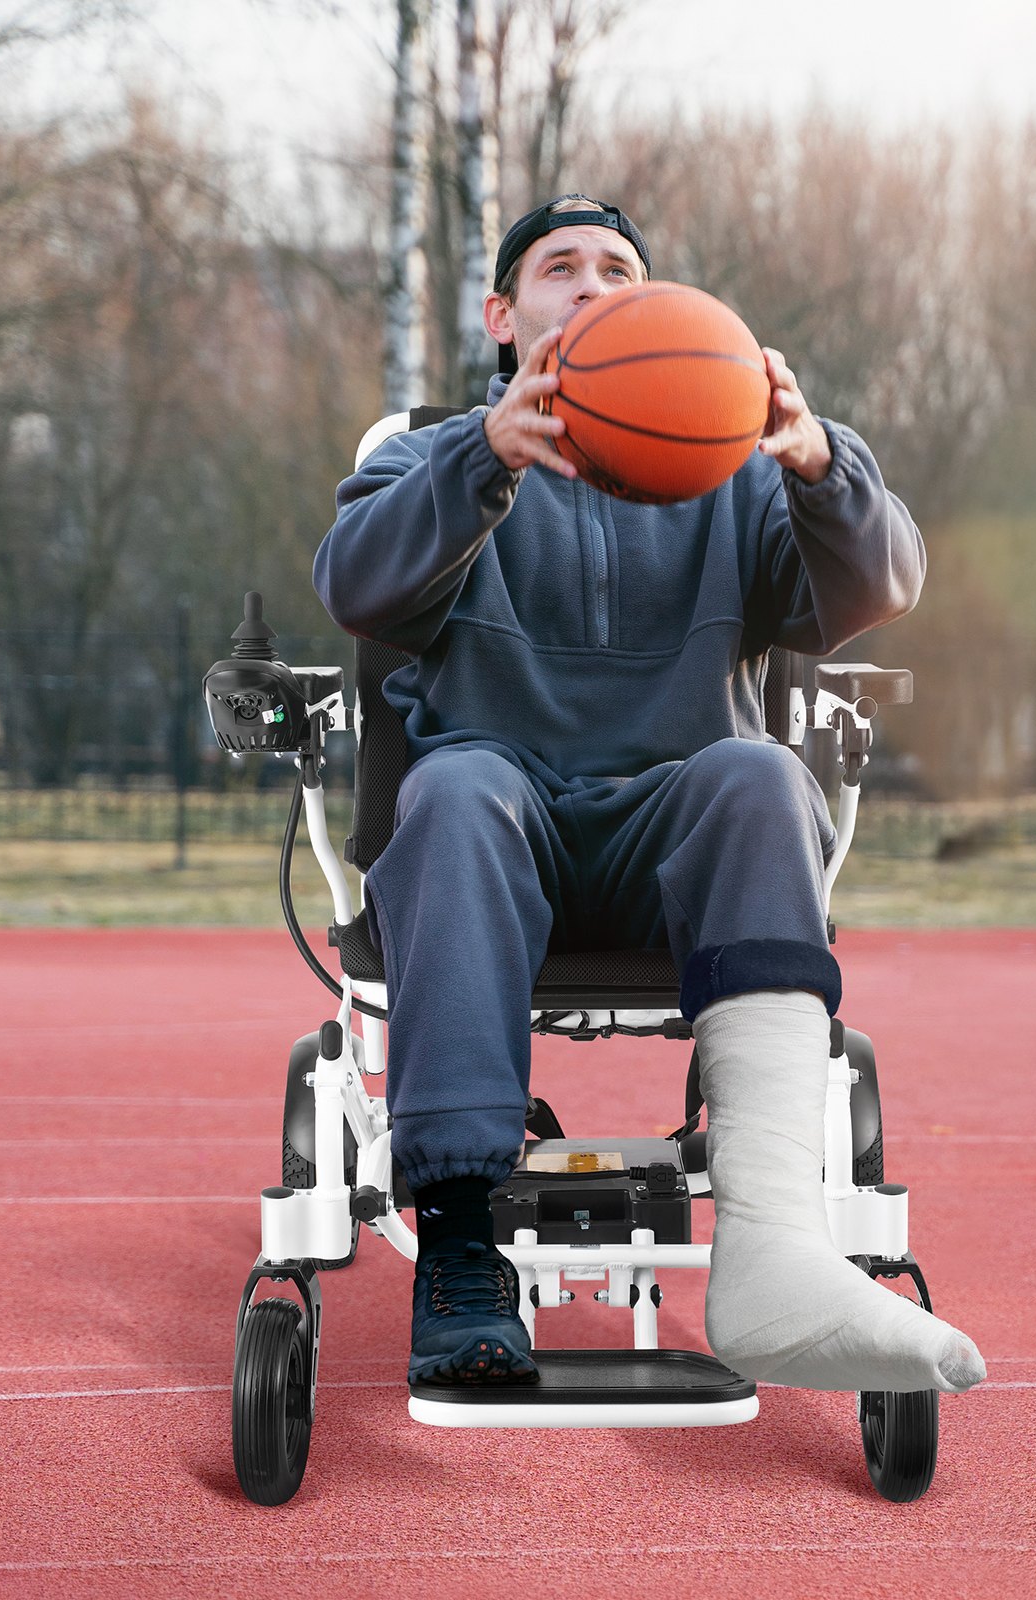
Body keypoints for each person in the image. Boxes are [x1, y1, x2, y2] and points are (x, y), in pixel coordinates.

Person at [313, 194, 985, 1397]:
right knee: (458, 781)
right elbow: (354, 586)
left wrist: (820, 463)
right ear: (504, 317)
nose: (591, 283)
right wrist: (485, 459)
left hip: (670, 845)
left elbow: (880, 584)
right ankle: (463, 1250)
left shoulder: (735, 479)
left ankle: (774, 1249)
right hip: (493, 838)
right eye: (559, 267)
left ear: (663, 310)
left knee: (758, 769)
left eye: (618, 268)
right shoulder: (429, 455)